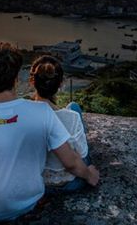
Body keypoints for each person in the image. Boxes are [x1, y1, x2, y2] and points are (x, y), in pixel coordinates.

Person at [0, 42, 99, 222]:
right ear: (16, 79)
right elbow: (70, 161)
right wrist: (90, 174)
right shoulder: (42, 112)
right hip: (30, 201)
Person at [30, 55, 90, 193]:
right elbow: (80, 154)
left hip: (37, 183)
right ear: (61, 84)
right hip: (69, 184)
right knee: (74, 106)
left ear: (32, 82)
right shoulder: (72, 117)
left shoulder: (23, 114)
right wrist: (89, 173)